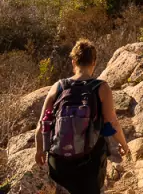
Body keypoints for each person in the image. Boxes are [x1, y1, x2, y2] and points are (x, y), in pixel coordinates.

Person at [35, 39, 130, 194]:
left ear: (73, 62)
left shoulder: (58, 86)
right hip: (89, 161)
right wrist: (124, 145)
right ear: (94, 62)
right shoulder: (101, 87)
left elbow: (42, 123)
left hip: (58, 159)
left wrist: (39, 150)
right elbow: (112, 122)